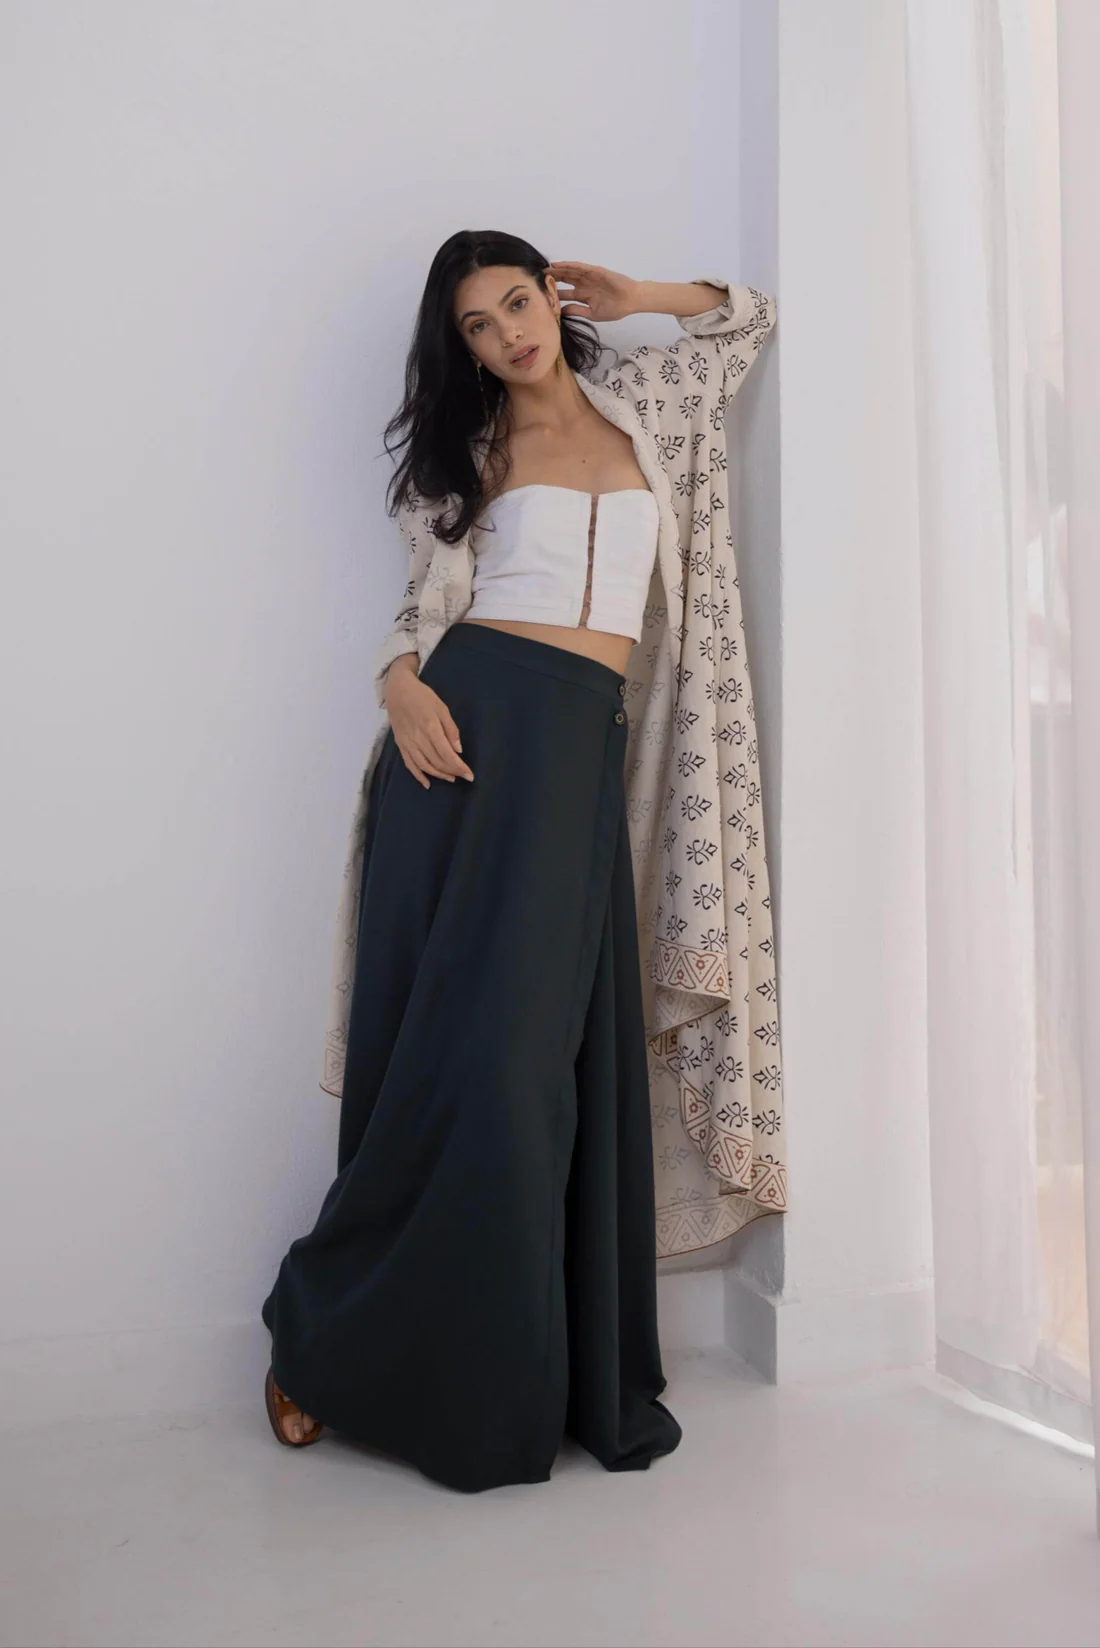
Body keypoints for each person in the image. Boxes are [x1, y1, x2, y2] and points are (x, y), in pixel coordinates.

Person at [261, 230, 781, 1492]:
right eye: (478, 327)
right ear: (462, 351)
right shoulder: (471, 454)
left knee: (537, 1078)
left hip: (578, 758)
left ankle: (517, 1372)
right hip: (467, 747)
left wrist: (641, 296)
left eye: (515, 303)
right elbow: (419, 612)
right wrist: (396, 682)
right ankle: (323, 1342)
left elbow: (744, 321)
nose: (507, 336)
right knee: (463, 1066)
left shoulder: (647, 402)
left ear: (552, 296)